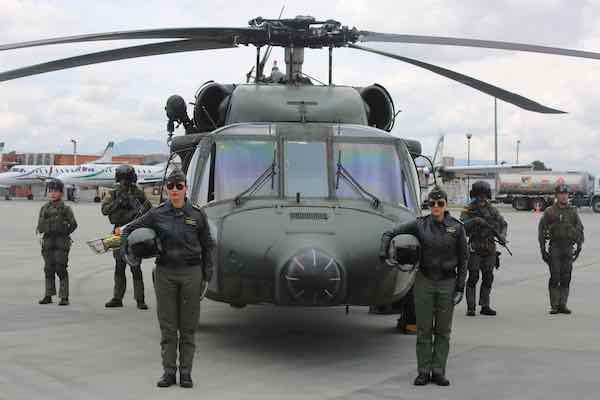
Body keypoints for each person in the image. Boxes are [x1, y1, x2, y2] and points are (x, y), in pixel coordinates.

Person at [121, 169, 214, 388]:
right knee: (168, 326)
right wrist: (129, 255)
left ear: (185, 188)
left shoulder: (198, 214)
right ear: (166, 189)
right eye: (170, 186)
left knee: (188, 327)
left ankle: (186, 373)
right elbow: (129, 230)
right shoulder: (157, 213)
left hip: (191, 273)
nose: (174, 190)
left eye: (178, 186)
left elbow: (208, 246)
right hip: (165, 273)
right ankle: (169, 372)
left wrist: (206, 275)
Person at [380, 187, 468, 386]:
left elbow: (464, 260)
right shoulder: (420, 225)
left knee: (443, 331)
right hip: (424, 281)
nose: (436, 207)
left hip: (447, 282)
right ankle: (423, 371)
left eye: (440, 203)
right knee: (424, 329)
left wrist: (460, 288)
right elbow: (392, 231)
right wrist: (384, 248)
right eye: (432, 204)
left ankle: (438, 371)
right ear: (428, 205)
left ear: (445, 205)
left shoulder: (457, 227)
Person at [101, 165, 151, 309]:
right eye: (122, 179)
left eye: (126, 179)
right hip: (118, 231)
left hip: (134, 232)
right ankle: (117, 297)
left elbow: (148, 210)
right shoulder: (114, 193)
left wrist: (135, 212)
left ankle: (140, 300)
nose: (124, 182)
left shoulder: (138, 193)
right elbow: (105, 210)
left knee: (135, 266)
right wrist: (119, 202)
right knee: (119, 266)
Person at [460, 181, 508, 316]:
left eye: (484, 195)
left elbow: (503, 224)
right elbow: (461, 226)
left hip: (489, 247)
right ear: (475, 195)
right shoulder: (468, 209)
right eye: (479, 195)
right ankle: (471, 307)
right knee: (473, 277)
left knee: (488, 277)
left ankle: (485, 305)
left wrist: (502, 236)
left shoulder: (492, 209)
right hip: (475, 246)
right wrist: (474, 221)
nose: (482, 197)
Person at [538, 184, 584, 314]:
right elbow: (541, 230)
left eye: (566, 194)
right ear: (556, 196)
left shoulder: (573, 211)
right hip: (555, 247)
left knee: (566, 277)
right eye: (561, 194)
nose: (564, 196)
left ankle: (563, 304)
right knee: (555, 276)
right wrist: (542, 249)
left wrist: (579, 245)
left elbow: (580, 228)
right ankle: (554, 305)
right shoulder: (550, 211)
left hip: (568, 247)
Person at [37, 180, 77, 306]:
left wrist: (64, 232)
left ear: (61, 193)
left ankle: (64, 296)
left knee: (60, 267)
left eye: (56, 191)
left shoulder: (65, 209)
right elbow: (39, 224)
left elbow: (73, 224)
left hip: (61, 240)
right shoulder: (44, 208)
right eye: (50, 191)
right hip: (48, 240)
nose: (53, 194)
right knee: (48, 268)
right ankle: (48, 295)